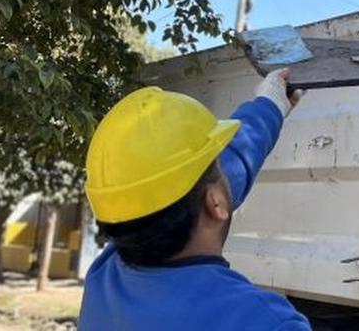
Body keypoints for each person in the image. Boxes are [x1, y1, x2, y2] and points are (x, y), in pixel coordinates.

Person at [79, 69, 311, 330]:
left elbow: (231, 165)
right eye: (218, 168)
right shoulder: (266, 322)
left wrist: (270, 107)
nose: (225, 169)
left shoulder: (103, 278)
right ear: (215, 204)